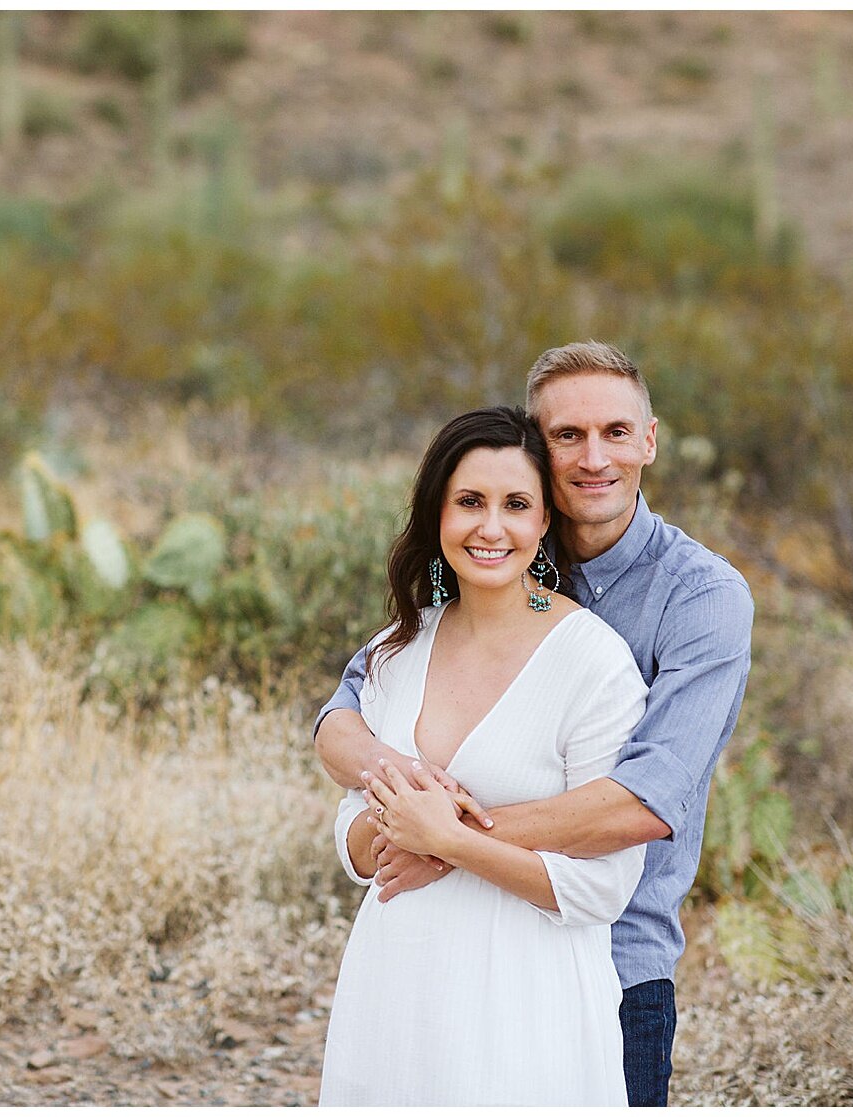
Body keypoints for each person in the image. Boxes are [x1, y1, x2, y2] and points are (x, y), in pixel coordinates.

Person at [316, 341, 754, 1106]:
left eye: (616, 431)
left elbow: (641, 805)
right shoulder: (496, 554)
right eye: (567, 436)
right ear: (539, 452)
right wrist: (393, 789)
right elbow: (346, 710)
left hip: (608, 964)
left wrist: (445, 837)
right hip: (427, 968)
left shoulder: (699, 599)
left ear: (649, 439)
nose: (594, 457)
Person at [318, 406, 648, 1106]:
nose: (490, 527)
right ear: (436, 512)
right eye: (469, 501)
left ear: (543, 523)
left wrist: (449, 839)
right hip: (394, 990)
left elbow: (602, 886)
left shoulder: (593, 663)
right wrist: (393, 825)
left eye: (515, 504)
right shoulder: (397, 647)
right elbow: (350, 830)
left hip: (523, 1001)